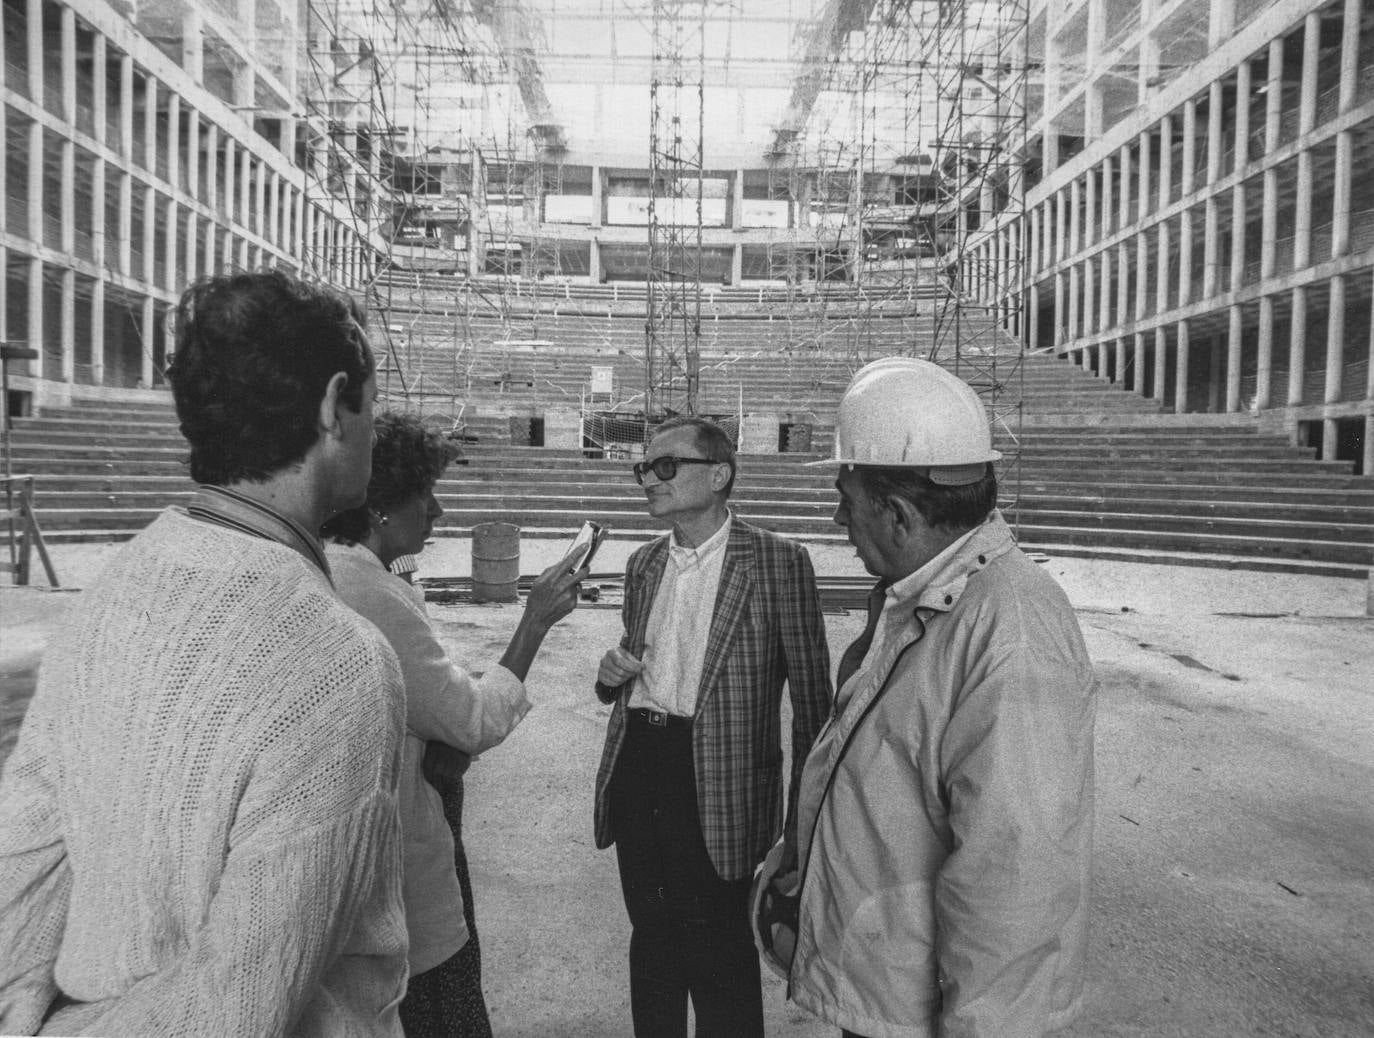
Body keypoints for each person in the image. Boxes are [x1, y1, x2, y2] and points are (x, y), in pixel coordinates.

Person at [0, 270, 408, 1035]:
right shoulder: (340, 660)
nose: (374, 432)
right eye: (372, 406)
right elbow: (238, 1009)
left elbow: (17, 885)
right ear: (332, 407)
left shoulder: (113, 591)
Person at [755, 357, 1096, 1037]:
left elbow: (1015, 880)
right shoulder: (924, 598)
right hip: (890, 992)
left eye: (848, 504)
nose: (837, 520)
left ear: (902, 514)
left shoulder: (1012, 629)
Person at [322, 411, 585, 1038]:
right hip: (399, 858)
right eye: (426, 495)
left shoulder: (354, 574)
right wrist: (536, 621)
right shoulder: (369, 593)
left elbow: (431, 697)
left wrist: (441, 729)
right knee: (437, 1002)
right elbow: (470, 718)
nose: (437, 511)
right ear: (382, 506)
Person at [593, 416, 833, 1037]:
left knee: (721, 951)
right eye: (644, 467)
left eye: (666, 466)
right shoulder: (643, 564)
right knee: (652, 940)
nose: (649, 479)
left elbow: (813, 707)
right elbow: (634, 667)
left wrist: (801, 830)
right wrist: (610, 674)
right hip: (639, 767)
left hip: (720, 785)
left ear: (719, 474)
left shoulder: (780, 563)